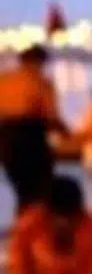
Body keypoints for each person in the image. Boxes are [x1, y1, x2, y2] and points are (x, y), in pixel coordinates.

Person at [0, 45, 67, 215]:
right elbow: (51, 116)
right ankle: (34, 225)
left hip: (6, 139)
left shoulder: (4, 80)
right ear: (39, 62)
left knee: (21, 190)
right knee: (39, 191)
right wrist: (67, 134)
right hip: (31, 138)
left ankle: (22, 223)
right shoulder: (41, 82)